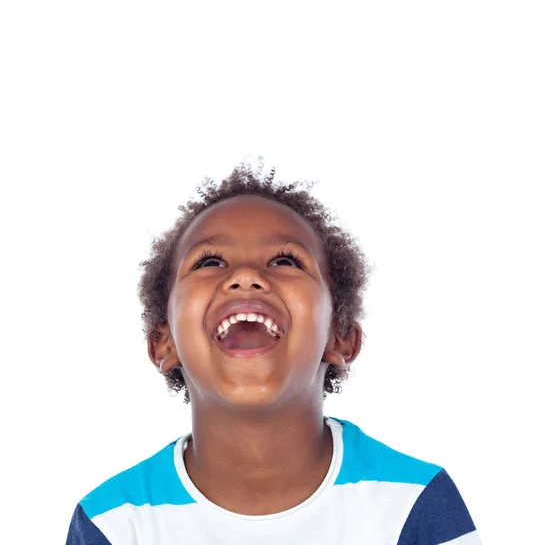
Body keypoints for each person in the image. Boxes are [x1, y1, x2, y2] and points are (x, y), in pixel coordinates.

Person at [66, 159, 482, 544]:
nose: (246, 276)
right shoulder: (112, 524)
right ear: (164, 344)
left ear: (341, 337)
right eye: (210, 262)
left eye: (285, 260)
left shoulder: (415, 505)